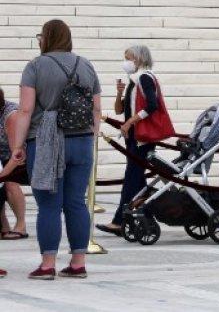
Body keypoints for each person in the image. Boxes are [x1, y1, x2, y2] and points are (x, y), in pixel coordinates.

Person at [8, 19, 103, 279]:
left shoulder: (36, 66)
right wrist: (89, 137)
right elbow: (96, 110)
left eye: (41, 35)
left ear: (47, 37)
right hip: (82, 140)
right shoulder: (86, 65)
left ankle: (48, 265)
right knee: (76, 203)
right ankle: (77, 263)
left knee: (49, 205)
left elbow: (25, 110)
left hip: (46, 141)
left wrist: (18, 146)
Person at [95, 45, 164, 236]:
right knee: (138, 179)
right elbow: (119, 110)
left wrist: (129, 123)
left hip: (141, 137)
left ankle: (119, 221)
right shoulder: (134, 80)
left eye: (128, 58)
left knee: (132, 178)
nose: (125, 62)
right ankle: (147, 215)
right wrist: (119, 92)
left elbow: (152, 106)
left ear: (139, 59)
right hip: (133, 137)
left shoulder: (144, 78)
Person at [0, 87, 28, 241]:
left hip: (24, 158)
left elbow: (17, 155)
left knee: (9, 182)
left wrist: (2, 176)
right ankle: (3, 226)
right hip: (3, 158)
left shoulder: (11, 116)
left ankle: (21, 225)